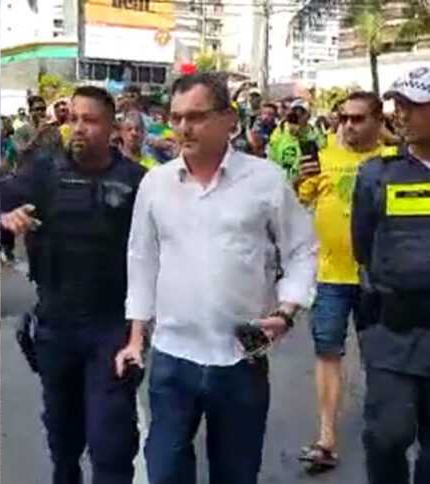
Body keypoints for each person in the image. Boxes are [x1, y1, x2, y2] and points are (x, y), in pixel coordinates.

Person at [126, 72, 318, 484]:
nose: (182, 128)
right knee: (164, 473)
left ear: (229, 119)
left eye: (195, 116)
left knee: (235, 474)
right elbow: (142, 259)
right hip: (172, 358)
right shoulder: (156, 184)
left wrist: (285, 312)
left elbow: (302, 250)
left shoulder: (264, 180)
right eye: (176, 117)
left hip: (240, 360)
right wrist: (136, 337)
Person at [1, 85, 145, 483]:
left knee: (111, 446)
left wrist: (143, 330)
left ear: (112, 127)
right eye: (73, 119)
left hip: (111, 328)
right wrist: (5, 219)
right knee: (64, 447)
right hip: (55, 327)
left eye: (90, 120)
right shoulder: (44, 171)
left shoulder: (137, 182)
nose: (78, 128)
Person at [295, 91, 396, 472]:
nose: (348, 126)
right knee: (327, 353)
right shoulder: (323, 158)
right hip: (330, 276)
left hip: (378, 279)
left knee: (380, 356)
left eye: (357, 119)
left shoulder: (393, 162)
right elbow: (299, 200)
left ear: (377, 122)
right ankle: (327, 438)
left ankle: (386, 430)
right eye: (343, 119)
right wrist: (300, 179)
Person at [352, 67, 430, 484]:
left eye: (411, 106)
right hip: (393, 332)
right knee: (387, 435)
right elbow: (362, 245)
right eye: (396, 105)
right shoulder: (377, 174)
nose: (398, 114)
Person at [270, 99, 324, 182]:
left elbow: (322, 155)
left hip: (307, 181)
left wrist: (301, 136)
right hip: (283, 181)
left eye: (302, 113)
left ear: (308, 116)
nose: (298, 116)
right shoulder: (280, 131)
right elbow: (272, 157)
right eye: (295, 112)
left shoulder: (315, 134)